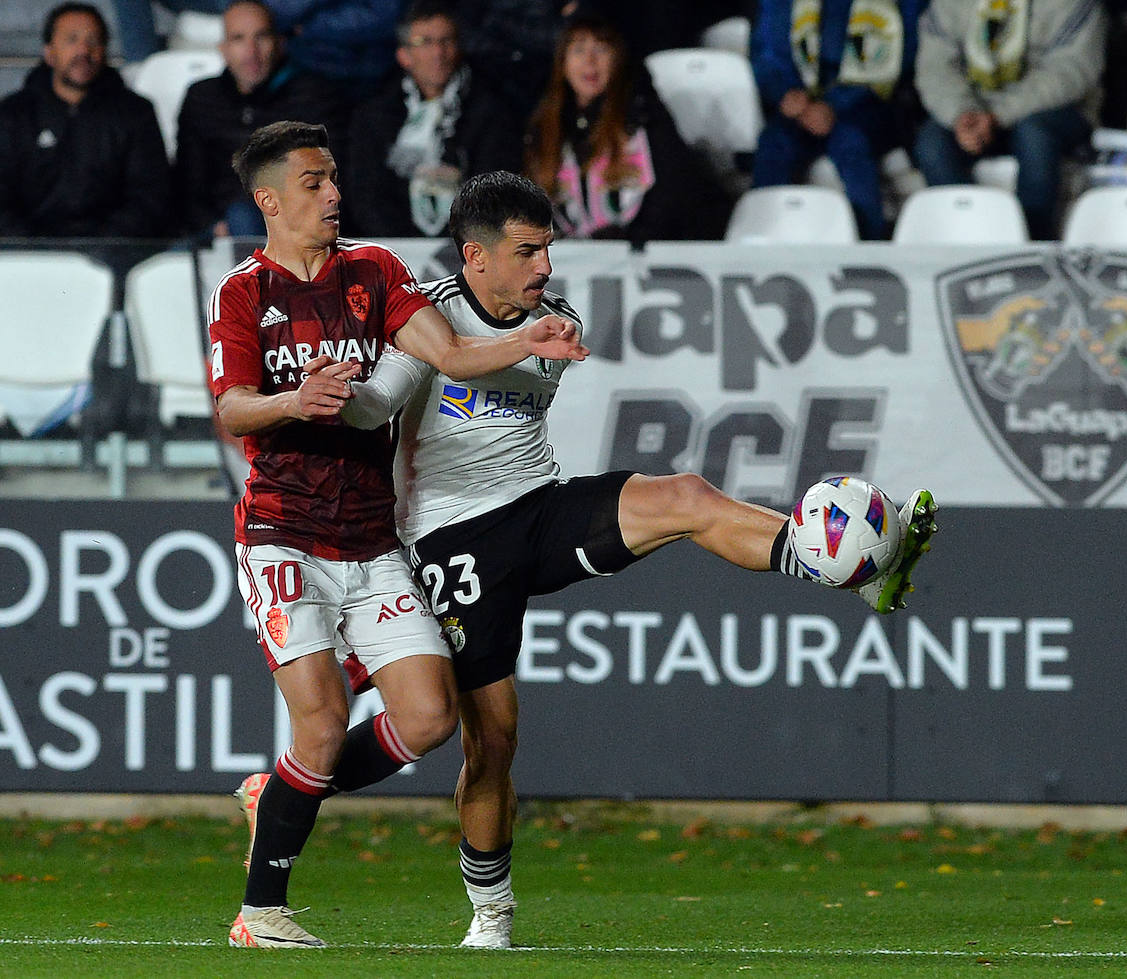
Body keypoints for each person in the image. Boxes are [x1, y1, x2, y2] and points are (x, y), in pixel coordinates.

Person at [337, 170, 939, 949]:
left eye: (547, 247)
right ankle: (449, 883)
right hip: (453, 540)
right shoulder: (427, 319)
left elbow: (498, 364)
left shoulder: (554, 318)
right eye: (528, 251)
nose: (546, 267)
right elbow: (386, 398)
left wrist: (522, 334)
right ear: (475, 257)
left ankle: (835, 561)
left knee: (684, 494)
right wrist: (322, 396)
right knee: (493, 737)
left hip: (538, 506)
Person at [208, 121, 588, 949]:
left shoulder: (375, 272)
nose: (334, 193)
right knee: (319, 722)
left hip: (372, 539)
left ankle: (274, 797)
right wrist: (289, 402)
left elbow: (449, 352)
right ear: (270, 199)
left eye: (335, 177)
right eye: (314, 182)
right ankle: (261, 911)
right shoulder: (243, 292)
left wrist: (526, 337)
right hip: (282, 533)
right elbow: (232, 405)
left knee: (429, 716)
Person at [525, 12, 731, 243]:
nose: (589, 61)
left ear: (618, 59)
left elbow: (673, 192)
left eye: (601, 49)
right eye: (578, 50)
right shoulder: (545, 127)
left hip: (645, 253)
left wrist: (629, 242)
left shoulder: (643, 117)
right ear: (562, 63)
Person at [912, 0, 1107, 241]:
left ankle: (1032, 248)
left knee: (1034, 135)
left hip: (1053, 111)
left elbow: (1070, 73)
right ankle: (971, 242)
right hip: (973, 111)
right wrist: (962, 116)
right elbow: (935, 68)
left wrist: (999, 115)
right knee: (932, 143)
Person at [750, 0, 926, 241]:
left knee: (850, 142)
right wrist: (785, 94)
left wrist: (836, 104)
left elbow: (906, 49)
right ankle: (760, 244)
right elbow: (766, 48)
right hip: (802, 101)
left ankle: (868, 250)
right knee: (774, 143)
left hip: (870, 100)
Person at [347, 0, 521, 238]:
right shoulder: (375, 114)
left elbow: (496, 188)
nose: (438, 53)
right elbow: (366, 195)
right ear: (404, 55)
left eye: (446, 41)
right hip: (397, 247)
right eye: (425, 42)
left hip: (469, 245)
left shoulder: (491, 109)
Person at [174, 0, 347, 238]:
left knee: (244, 216)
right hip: (215, 234)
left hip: (298, 234)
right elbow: (187, 184)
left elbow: (328, 179)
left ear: (280, 43)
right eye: (238, 39)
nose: (250, 51)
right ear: (223, 49)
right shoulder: (201, 98)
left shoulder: (313, 95)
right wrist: (215, 227)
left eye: (261, 37)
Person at [0, 2, 173, 237]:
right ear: (49, 52)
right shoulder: (13, 114)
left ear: (104, 50)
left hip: (115, 254)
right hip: (30, 256)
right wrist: (36, 248)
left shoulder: (136, 112)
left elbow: (149, 197)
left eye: (93, 41)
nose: (83, 51)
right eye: (71, 40)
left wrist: (101, 245)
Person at [263, 0, 406, 90]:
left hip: (373, 75)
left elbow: (384, 17)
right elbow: (275, 13)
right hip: (299, 73)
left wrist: (309, 27)